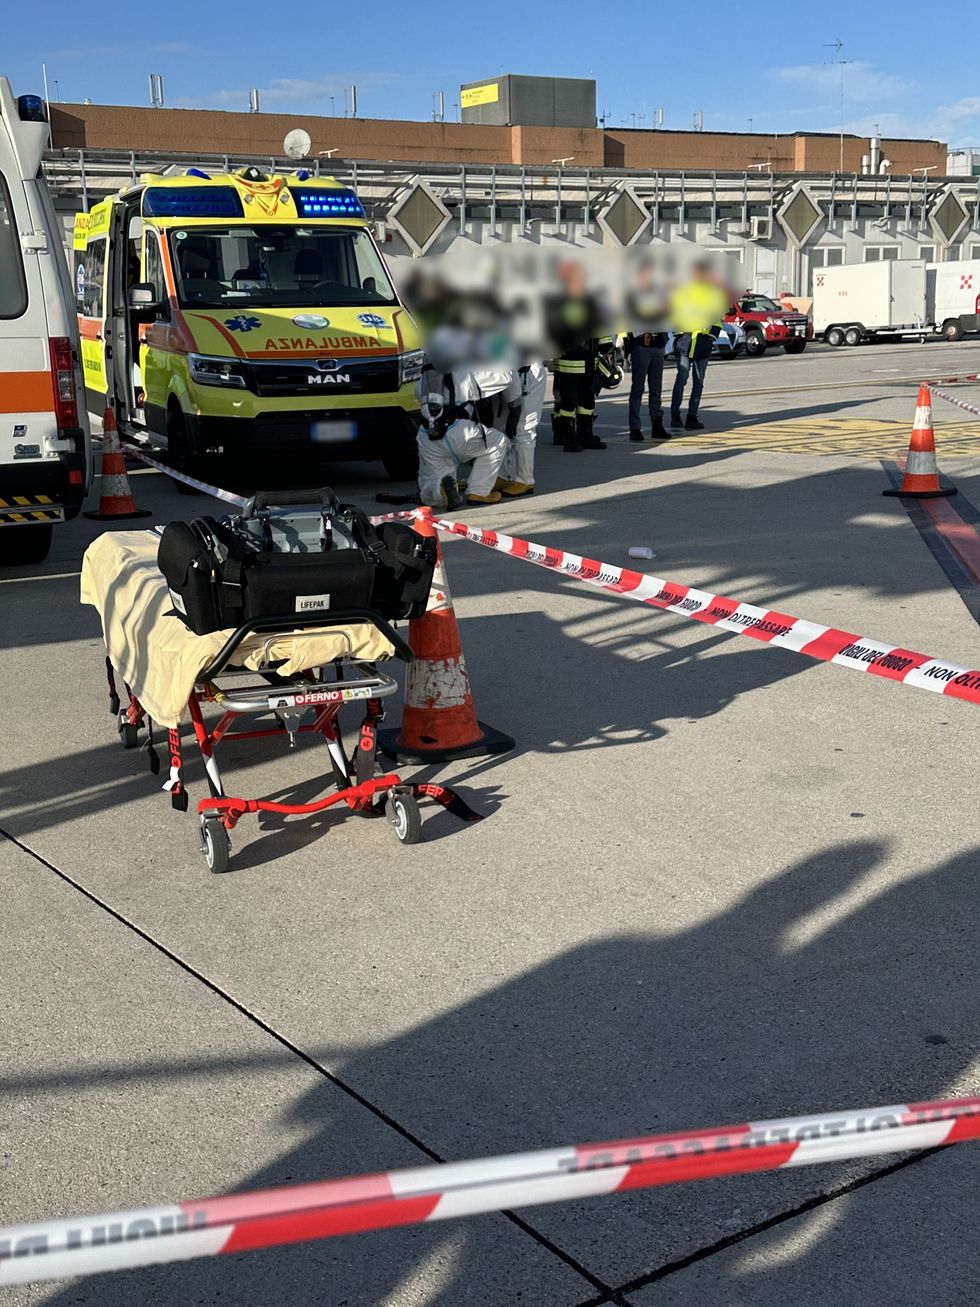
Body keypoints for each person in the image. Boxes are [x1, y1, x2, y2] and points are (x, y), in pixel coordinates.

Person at [415, 330, 509, 509]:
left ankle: (439, 489)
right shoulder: (466, 372)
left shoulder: (425, 378)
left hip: (428, 435)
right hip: (459, 432)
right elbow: (504, 379)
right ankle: (479, 491)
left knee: (431, 490)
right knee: (497, 442)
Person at [668, 260, 729, 431]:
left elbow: (718, 320)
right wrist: (680, 336)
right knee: (682, 380)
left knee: (698, 382)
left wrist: (710, 338)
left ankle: (691, 417)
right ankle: (675, 415)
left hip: (702, 344)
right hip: (686, 343)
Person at [496, 361, 546, 496]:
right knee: (501, 428)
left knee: (523, 428)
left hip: (527, 372)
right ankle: (503, 476)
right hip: (510, 370)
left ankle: (525, 480)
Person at [623, 329, 668, 442]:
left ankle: (657, 424)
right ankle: (635, 428)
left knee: (656, 389)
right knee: (638, 388)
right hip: (641, 344)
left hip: (657, 344)